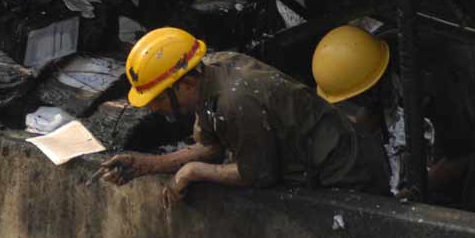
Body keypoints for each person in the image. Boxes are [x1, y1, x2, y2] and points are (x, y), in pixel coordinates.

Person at [98, 27, 390, 205]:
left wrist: (192, 172)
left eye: (158, 98)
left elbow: (258, 174)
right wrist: (145, 164)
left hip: (348, 173)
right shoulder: (208, 72)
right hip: (324, 160)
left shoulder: (235, 101)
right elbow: (211, 147)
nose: (154, 108)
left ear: (185, 83)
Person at [312, 24, 475, 215]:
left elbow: (464, 154)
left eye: (362, 96)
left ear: (376, 81)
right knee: (440, 194)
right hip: (466, 81)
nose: (361, 103)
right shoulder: (372, 56)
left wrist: (410, 191)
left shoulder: (437, 77)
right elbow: (368, 119)